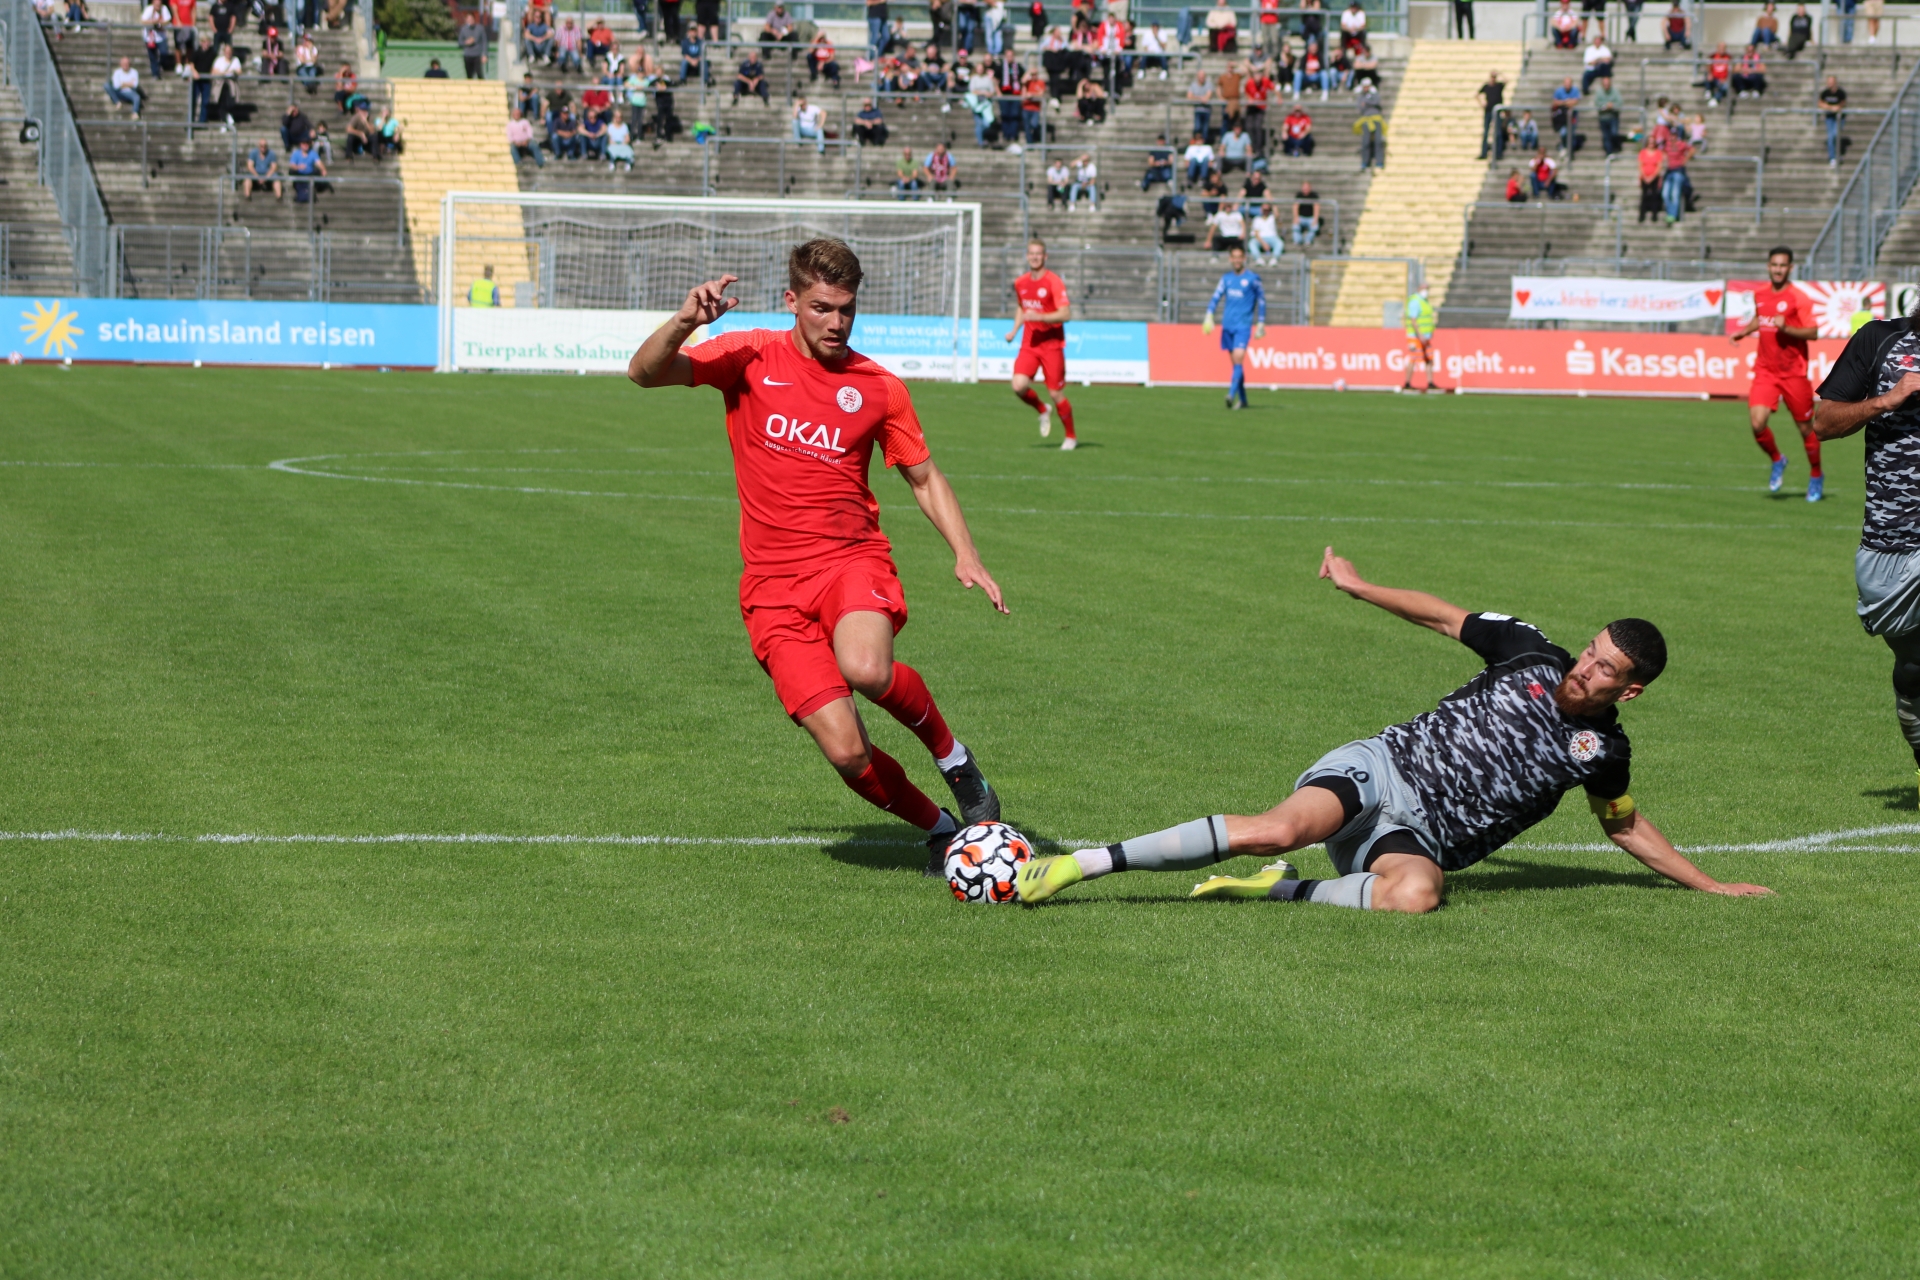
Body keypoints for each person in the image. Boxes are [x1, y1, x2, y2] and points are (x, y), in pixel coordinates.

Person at [1014, 550, 1771, 912]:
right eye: (1590, 651)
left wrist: (1710, 885)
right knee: (1277, 829)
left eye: (1604, 669)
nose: (1584, 668)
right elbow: (1443, 616)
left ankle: (1282, 893)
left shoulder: (1603, 752)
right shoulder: (1529, 651)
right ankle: (1082, 866)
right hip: (1381, 770)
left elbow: (1624, 825)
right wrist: (1357, 585)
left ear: (1629, 691)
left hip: (1412, 838)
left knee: (1417, 896)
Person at [625, 241, 1007, 867]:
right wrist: (685, 322)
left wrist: (966, 553)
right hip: (772, 590)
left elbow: (923, 477)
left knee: (866, 669)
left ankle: (955, 761)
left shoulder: (879, 387)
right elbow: (644, 372)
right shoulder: (748, 355)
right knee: (847, 753)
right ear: (792, 301)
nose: (836, 322)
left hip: (850, 561)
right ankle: (943, 830)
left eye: (846, 309)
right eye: (822, 308)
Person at [1732, 247, 1822, 501]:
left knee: (1805, 428)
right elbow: (1761, 318)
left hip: (1794, 373)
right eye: (1774, 265)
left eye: (1783, 265)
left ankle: (1816, 474)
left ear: (1790, 268)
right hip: (1766, 371)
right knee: (1757, 423)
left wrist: (1788, 328)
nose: (1778, 269)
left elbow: (1813, 332)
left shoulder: (1799, 298)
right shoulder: (1760, 294)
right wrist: (1744, 331)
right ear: (1768, 266)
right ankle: (1777, 459)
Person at [1004, 239, 1077, 449]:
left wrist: (1040, 317)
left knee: (1055, 393)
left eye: (1039, 254)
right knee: (1018, 385)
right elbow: (1022, 307)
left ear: (1045, 257)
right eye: (1031, 253)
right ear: (1027, 256)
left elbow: (1066, 313)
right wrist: (1014, 330)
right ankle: (1043, 409)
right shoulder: (1020, 282)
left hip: (1052, 344)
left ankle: (1071, 436)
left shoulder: (1054, 282)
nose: (1035, 257)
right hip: (1030, 343)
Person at [1203, 245, 1266, 410]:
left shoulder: (1253, 278)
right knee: (1236, 365)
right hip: (1228, 326)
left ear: (1244, 258)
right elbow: (1216, 297)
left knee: (1238, 358)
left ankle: (1231, 394)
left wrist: (1261, 322)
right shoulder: (1226, 279)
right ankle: (1243, 400)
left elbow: (1262, 300)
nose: (1237, 260)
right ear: (1230, 259)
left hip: (1243, 326)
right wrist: (1209, 314)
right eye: (1234, 257)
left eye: (1240, 257)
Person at [1477, 70, 1504, 159]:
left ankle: (1498, 153)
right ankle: (1484, 153)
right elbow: (1477, 95)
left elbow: (1507, 80)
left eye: (1494, 77)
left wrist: (1500, 74)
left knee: (1498, 132)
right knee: (1486, 133)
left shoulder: (1499, 86)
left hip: (1497, 112)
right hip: (1488, 112)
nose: (1493, 79)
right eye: (1492, 77)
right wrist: (1482, 104)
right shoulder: (1486, 87)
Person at [1820, 75, 1847, 167]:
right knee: (1831, 137)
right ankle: (1832, 157)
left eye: (1831, 82)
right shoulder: (1825, 93)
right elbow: (1820, 103)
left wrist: (1837, 107)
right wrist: (1831, 108)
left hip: (1839, 117)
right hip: (1829, 117)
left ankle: (1837, 154)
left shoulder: (1840, 93)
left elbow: (1843, 103)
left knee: (1835, 135)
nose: (1829, 84)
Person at [287, 137, 323, 202]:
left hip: (310, 174)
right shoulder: (296, 153)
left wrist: (323, 170)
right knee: (291, 171)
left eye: (307, 143)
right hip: (299, 174)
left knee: (318, 172)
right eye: (304, 143)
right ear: (300, 145)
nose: (306, 145)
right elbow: (292, 165)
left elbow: (319, 163)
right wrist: (298, 167)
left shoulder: (313, 153)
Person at [1593, 75, 1622, 154]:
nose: (1606, 86)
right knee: (1606, 136)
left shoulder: (1615, 91)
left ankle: (1614, 148)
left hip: (1613, 117)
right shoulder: (1599, 92)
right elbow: (1597, 103)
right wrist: (1605, 106)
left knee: (1614, 133)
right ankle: (1609, 153)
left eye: (1608, 84)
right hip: (1603, 118)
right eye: (1605, 84)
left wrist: (1613, 106)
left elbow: (1619, 102)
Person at [1637, 137, 1663, 221]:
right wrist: (1644, 176)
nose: (1651, 144)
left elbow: (1659, 166)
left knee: (1654, 197)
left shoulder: (1658, 153)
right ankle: (1642, 215)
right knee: (1644, 196)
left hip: (1654, 177)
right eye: (1649, 142)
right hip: (1644, 178)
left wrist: (1652, 177)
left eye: (1652, 142)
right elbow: (1640, 165)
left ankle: (1654, 215)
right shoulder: (1643, 152)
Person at [458, 13, 489, 79]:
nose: (470, 21)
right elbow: (459, 43)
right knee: (469, 75)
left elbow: (484, 42)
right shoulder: (463, 29)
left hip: (477, 54)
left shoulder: (480, 28)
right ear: (466, 20)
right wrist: (466, 42)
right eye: (468, 19)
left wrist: (484, 54)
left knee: (479, 73)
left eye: (471, 19)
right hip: (467, 55)